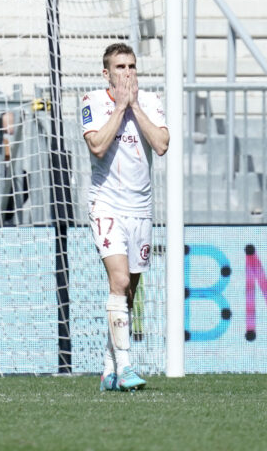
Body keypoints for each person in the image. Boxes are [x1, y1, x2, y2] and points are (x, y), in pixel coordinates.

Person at [82, 43, 169, 392]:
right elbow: (98, 146)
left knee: (127, 293)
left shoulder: (150, 102)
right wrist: (120, 108)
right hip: (106, 205)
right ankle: (128, 367)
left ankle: (109, 367)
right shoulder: (93, 101)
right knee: (117, 281)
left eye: (132, 66)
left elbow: (161, 144)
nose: (127, 73)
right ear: (106, 73)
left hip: (140, 209)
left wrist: (134, 106)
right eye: (119, 67)